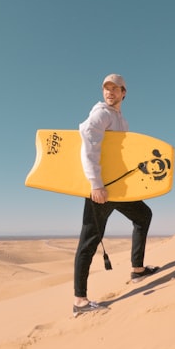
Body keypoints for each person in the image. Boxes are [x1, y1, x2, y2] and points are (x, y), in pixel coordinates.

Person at [72, 73, 158, 315]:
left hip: (117, 188)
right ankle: (80, 301)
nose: (109, 92)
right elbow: (87, 146)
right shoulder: (101, 114)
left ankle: (138, 270)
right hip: (100, 189)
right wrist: (95, 184)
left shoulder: (122, 121)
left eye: (115, 88)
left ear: (124, 93)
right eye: (106, 88)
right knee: (88, 241)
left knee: (143, 215)